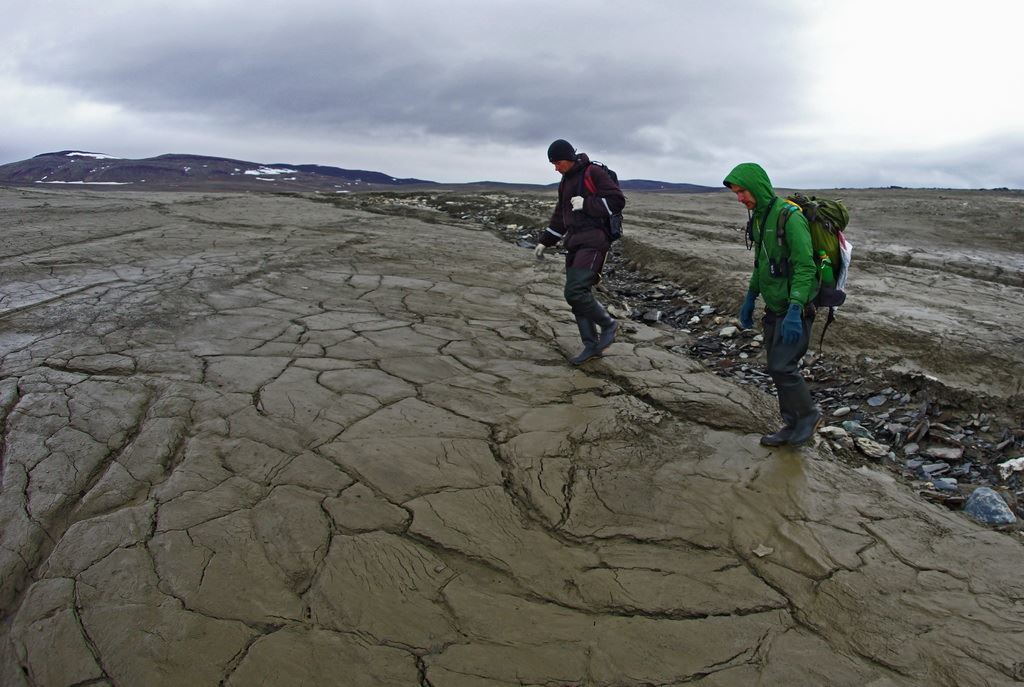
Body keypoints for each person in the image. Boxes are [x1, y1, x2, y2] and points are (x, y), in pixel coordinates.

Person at [723, 162, 821, 446]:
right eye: (736, 193)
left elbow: (805, 267)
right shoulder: (759, 218)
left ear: (758, 187)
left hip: (796, 308)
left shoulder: (789, 217)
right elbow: (762, 264)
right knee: (777, 367)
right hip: (774, 307)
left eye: (743, 191)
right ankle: (791, 425)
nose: (740, 198)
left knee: (783, 366)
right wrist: (750, 297)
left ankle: (809, 416)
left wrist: (795, 309)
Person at [535, 139, 626, 365]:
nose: (555, 167)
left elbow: (617, 201)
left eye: (557, 162)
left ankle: (608, 325)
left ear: (569, 158)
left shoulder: (593, 172)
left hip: (595, 239)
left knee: (575, 291)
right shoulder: (565, 181)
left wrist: (587, 204)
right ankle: (591, 346)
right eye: (552, 164)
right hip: (574, 241)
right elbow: (560, 215)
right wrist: (545, 241)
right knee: (577, 298)